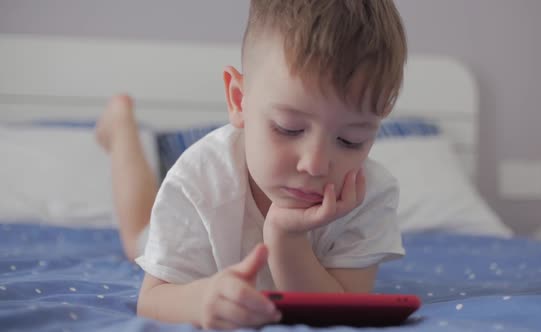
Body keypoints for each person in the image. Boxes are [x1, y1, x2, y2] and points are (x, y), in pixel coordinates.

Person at [96, 0, 407, 329]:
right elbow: (152, 299)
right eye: (288, 128)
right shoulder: (198, 179)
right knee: (137, 241)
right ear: (239, 100)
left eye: (350, 140)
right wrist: (201, 299)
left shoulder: (369, 192)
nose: (314, 165)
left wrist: (286, 236)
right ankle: (120, 126)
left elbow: (339, 310)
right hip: (199, 209)